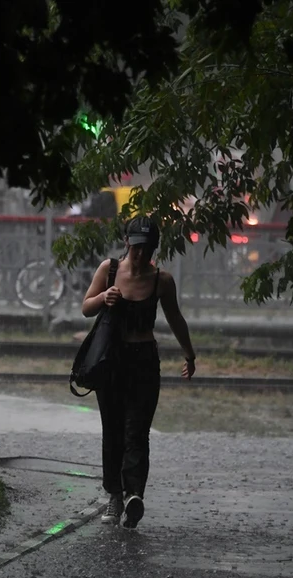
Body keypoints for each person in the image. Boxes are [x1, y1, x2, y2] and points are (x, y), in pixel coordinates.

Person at [80, 216, 196, 529]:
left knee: (137, 430)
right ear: (127, 243)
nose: (141, 255)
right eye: (136, 248)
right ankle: (114, 496)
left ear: (154, 248)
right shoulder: (110, 270)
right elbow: (86, 306)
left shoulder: (162, 280)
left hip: (143, 361)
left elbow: (175, 319)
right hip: (111, 361)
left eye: (147, 249)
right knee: (113, 430)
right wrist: (105, 297)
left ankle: (134, 495)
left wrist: (189, 353)